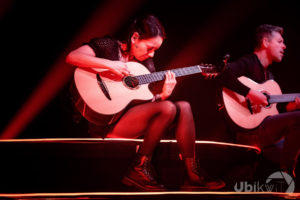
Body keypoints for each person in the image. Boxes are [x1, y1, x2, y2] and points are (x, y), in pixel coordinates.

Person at [65, 15, 225, 191]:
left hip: (127, 120)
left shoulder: (147, 67)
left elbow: (147, 105)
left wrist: (163, 94)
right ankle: (138, 169)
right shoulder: (108, 46)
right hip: (103, 121)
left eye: (155, 50)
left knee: (183, 106)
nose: (152, 54)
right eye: (150, 48)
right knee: (169, 108)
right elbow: (73, 57)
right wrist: (111, 65)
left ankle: (193, 174)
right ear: (135, 38)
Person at [218, 24, 300, 178]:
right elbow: (223, 74)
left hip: (265, 131)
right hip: (248, 132)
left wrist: (290, 109)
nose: (285, 46)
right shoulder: (249, 62)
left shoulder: (270, 78)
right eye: (280, 41)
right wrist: (250, 93)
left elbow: (272, 112)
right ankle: (287, 172)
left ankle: (285, 173)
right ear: (265, 42)